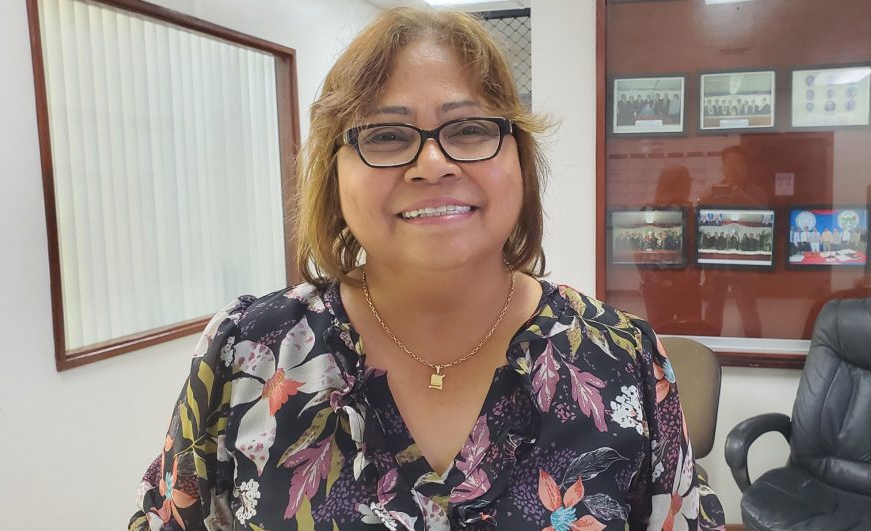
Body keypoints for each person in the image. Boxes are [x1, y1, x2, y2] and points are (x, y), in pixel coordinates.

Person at [129, 7, 725, 531]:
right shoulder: (247, 352)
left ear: (520, 159)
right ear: (333, 176)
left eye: (469, 129)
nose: (433, 163)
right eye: (387, 136)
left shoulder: (621, 357)